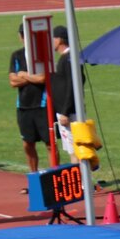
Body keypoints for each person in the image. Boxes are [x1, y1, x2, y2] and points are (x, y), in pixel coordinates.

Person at [9, 23, 50, 182]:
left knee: (49, 144)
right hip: (24, 106)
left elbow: (43, 78)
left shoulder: (42, 54)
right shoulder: (16, 55)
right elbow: (13, 81)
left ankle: (53, 177)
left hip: (43, 105)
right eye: (23, 35)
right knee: (27, 144)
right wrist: (32, 78)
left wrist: (24, 75)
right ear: (21, 37)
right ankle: (34, 179)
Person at [51, 25, 81, 164]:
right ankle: (80, 176)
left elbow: (72, 86)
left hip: (69, 113)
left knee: (75, 150)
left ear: (59, 40)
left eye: (53, 39)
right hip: (67, 111)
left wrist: (65, 112)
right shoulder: (67, 58)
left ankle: (81, 177)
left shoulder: (68, 59)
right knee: (72, 149)